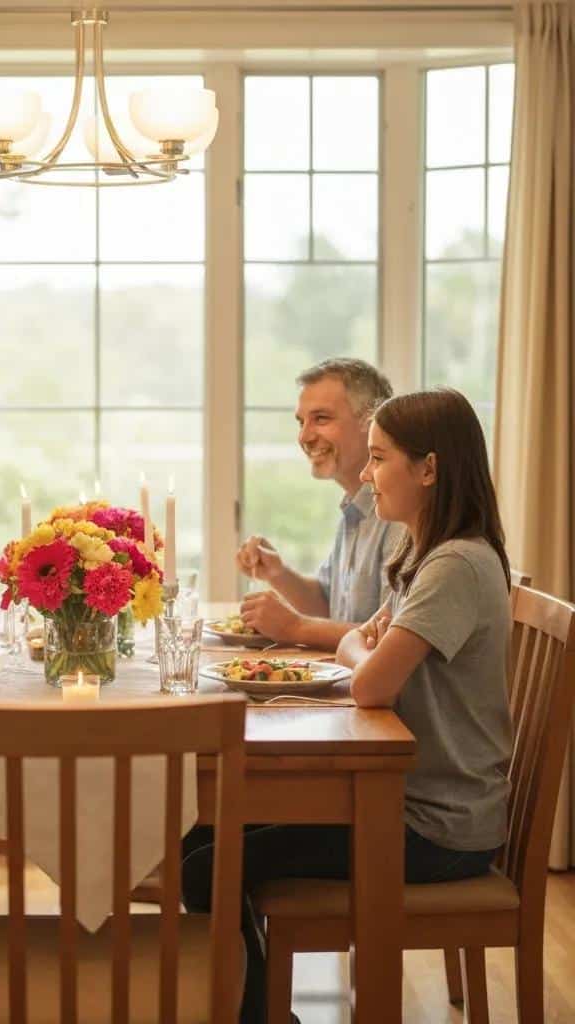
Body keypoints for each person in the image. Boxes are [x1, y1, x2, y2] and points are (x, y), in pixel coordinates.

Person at [183, 388, 513, 1024]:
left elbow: (370, 683)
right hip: (421, 803)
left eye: (379, 458)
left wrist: (360, 646)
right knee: (202, 832)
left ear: (430, 469)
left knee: (208, 865)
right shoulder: (425, 556)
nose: (365, 473)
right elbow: (363, 641)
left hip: (436, 827)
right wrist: (360, 642)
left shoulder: (455, 566)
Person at [237, 358, 405, 650]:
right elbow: (329, 607)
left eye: (321, 419)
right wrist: (277, 573)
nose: (304, 437)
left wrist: (294, 628)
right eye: (302, 422)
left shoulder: (400, 515)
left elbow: (387, 638)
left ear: (372, 422)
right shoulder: (354, 507)